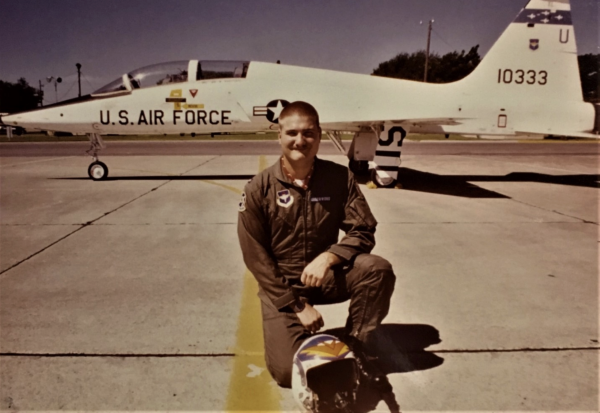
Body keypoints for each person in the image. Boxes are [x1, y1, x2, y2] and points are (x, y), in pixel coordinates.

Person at [237, 101, 396, 389]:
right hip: (284, 287)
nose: (300, 141)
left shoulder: (339, 178)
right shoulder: (258, 188)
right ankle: (295, 333)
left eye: (308, 133)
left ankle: (357, 346)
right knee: (288, 373)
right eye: (293, 133)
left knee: (377, 269)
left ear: (319, 135)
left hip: (325, 277)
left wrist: (329, 258)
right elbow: (255, 258)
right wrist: (297, 305)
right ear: (279, 136)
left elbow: (363, 229)